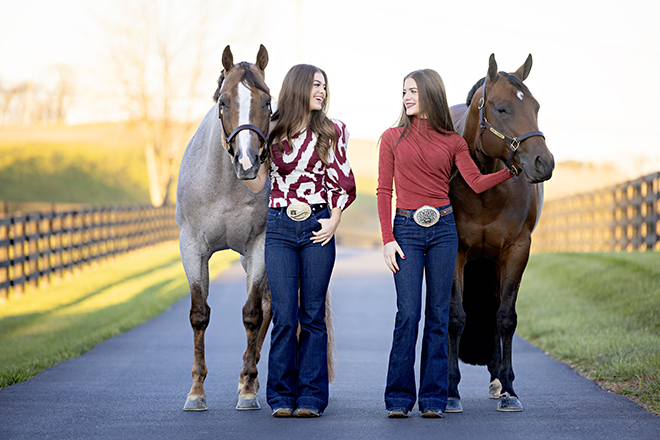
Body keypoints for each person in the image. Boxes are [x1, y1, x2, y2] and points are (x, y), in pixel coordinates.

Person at [377, 69, 515, 419]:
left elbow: (476, 182)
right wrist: (388, 239)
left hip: (442, 231)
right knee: (407, 314)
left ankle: (435, 398)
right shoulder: (391, 138)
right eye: (404, 91)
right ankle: (398, 398)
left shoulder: (453, 143)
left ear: (431, 95)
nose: (407, 97)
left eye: (413, 92)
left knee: (438, 315)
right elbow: (383, 191)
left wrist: (510, 172)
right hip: (406, 229)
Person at [242, 64, 356, 418]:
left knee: (313, 315)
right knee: (284, 315)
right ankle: (280, 396)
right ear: (298, 88)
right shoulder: (272, 129)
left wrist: (334, 220)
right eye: (315, 85)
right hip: (279, 227)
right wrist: (244, 162)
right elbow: (259, 183)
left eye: (324, 86)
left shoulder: (332, 130)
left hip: (317, 228)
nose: (321, 91)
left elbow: (343, 183)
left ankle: (311, 396)